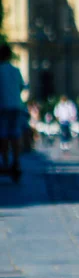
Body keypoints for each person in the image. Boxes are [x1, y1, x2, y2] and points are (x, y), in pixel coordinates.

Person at [0, 43, 25, 180]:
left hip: (2, 107)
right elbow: (21, 86)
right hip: (16, 106)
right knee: (15, 135)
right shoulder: (16, 70)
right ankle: (16, 160)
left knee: (3, 135)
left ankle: (5, 162)